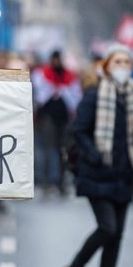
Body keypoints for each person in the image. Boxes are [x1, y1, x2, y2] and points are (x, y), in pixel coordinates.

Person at [60, 45, 133, 267]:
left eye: (126, 62)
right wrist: (94, 154)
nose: (122, 66)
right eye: (117, 61)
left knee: (116, 234)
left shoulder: (132, 97)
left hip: (123, 174)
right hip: (97, 173)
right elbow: (79, 129)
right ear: (107, 66)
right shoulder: (94, 95)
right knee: (106, 227)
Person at [31, 50, 82, 195]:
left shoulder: (69, 76)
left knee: (61, 150)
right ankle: (47, 180)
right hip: (47, 117)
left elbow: (75, 95)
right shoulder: (42, 75)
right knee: (48, 150)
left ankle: (59, 180)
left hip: (63, 118)